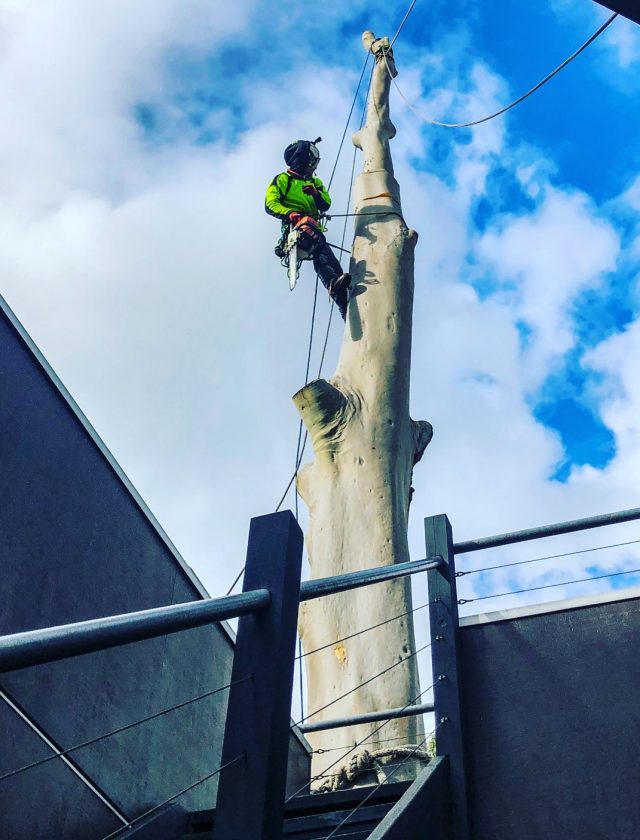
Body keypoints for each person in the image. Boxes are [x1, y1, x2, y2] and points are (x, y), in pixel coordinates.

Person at [265, 138, 351, 319]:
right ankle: (332, 284)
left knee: (331, 261)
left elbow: (326, 203)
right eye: (311, 162)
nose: (314, 167)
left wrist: (316, 194)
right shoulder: (283, 179)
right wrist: (289, 213)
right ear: (302, 160)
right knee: (314, 239)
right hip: (297, 227)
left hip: (313, 229)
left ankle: (343, 300)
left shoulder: (315, 182)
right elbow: (270, 203)